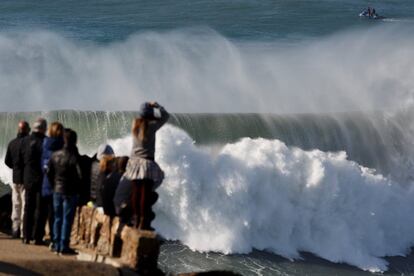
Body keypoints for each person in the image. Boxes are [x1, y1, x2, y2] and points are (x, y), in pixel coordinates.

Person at [124, 102, 169, 230]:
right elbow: (165, 116)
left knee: (136, 193)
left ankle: (135, 219)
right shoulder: (152, 126)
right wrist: (157, 106)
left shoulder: (135, 125)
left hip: (134, 163)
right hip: (146, 164)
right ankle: (143, 221)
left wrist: (148, 108)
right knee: (145, 194)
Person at [47, 128, 81, 255]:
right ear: (74, 141)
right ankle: (64, 245)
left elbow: (49, 173)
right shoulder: (73, 157)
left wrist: (54, 185)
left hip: (57, 190)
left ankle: (56, 244)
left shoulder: (55, 155)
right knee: (66, 219)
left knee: (57, 218)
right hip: (69, 192)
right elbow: (80, 176)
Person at [21, 118, 47, 244]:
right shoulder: (44, 142)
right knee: (40, 209)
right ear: (43, 129)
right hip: (40, 178)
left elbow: (20, 159)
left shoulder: (25, 140)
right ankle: (37, 237)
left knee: (28, 207)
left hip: (27, 178)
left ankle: (26, 236)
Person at [5, 120, 30, 239]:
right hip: (26, 178)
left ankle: (15, 229)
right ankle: (23, 231)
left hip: (15, 178)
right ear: (27, 130)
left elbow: (7, 161)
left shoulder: (12, 143)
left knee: (16, 204)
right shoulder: (29, 143)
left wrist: (15, 168)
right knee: (24, 204)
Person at [40, 122, 64, 244]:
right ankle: (55, 240)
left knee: (45, 212)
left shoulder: (45, 144)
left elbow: (42, 165)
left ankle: (40, 236)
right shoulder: (62, 147)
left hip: (45, 183)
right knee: (55, 214)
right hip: (57, 185)